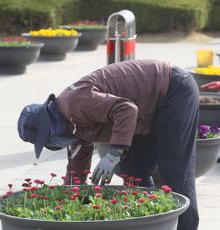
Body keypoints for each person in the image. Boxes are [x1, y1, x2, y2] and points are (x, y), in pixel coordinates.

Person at [17, 59, 199, 230]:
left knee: (175, 171)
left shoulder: (74, 104)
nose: (52, 144)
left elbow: (127, 109)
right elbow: (76, 169)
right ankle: (151, 224)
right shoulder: (72, 128)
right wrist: (70, 201)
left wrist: (113, 154)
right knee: (133, 170)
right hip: (145, 112)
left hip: (172, 89)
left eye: (47, 139)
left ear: (49, 124)